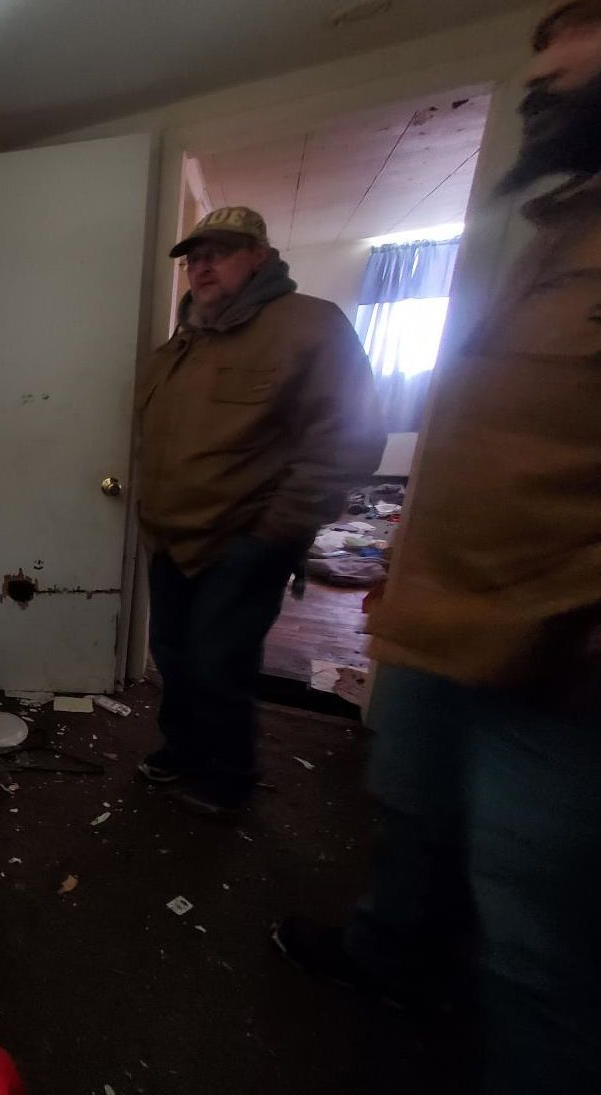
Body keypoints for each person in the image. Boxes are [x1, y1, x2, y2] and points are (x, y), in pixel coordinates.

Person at [273, 6, 601, 1092]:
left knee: (536, 942)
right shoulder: (554, 235)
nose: (544, 66)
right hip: (436, 622)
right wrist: (403, 569)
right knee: (408, 817)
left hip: (558, 669)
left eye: (577, 33)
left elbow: (349, 429)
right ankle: (387, 957)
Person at [134, 205, 384, 813]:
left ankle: (229, 777)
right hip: (170, 539)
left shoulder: (308, 325)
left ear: (260, 257)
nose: (202, 266)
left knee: (220, 664)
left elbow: (350, 439)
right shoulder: (182, 344)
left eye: (219, 252)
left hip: (245, 539)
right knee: (174, 655)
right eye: (194, 257)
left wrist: (275, 533)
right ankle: (183, 749)